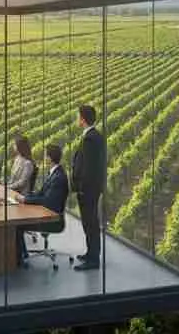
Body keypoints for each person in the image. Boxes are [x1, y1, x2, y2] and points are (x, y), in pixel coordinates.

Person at [14, 144, 69, 267]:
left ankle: (19, 259)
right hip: (46, 212)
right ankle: (22, 255)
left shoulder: (58, 177)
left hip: (53, 219)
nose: (44, 158)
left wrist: (25, 200)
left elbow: (47, 201)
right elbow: (40, 193)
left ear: (50, 158)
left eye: (45, 155)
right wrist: (25, 198)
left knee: (17, 225)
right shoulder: (54, 173)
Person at [71, 105, 105, 271]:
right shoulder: (94, 136)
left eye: (78, 116)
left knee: (90, 223)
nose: (77, 119)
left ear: (83, 119)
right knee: (89, 222)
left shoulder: (90, 139)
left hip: (88, 189)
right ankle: (90, 253)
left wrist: (82, 187)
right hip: (91, 188)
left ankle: (93, 260)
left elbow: (89, 168)